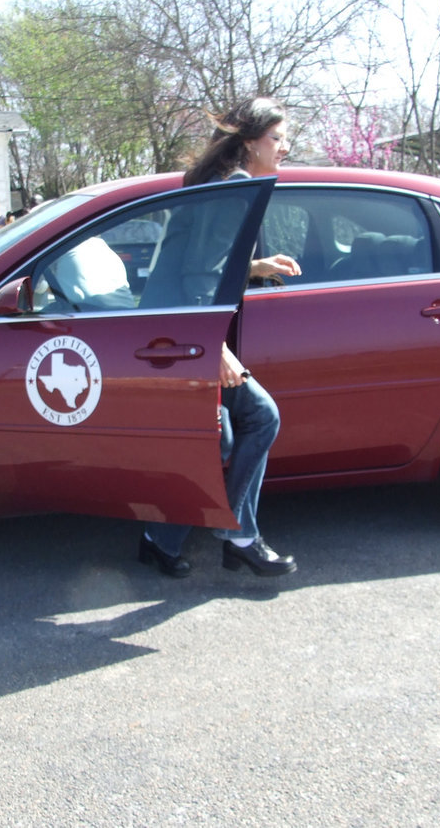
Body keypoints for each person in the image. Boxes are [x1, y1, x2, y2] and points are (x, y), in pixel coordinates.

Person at [138, 96, 300, 579]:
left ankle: (159, 538)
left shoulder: (219, 183)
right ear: (250, 142)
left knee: (220, 439)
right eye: (278, 138)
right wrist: (217, 351)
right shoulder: (234, 188)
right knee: (261, 418)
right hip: (183, 330)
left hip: (170, 325)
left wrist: (256, 267)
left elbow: (202, 262)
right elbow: (196, 277)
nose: (284, 147)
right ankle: (238, 536)